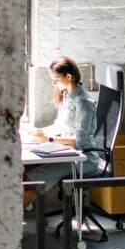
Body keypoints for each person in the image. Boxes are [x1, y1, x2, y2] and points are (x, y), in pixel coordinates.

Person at [22, 56, 103, 208]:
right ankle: (27, 204)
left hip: (83, 158)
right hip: (67, 152)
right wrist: (38, 133)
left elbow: (81, 141)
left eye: (56, 79)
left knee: (31, 180)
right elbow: (59, 126)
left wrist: (49, 139)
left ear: (69, 77)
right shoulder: (67, 95)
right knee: (25, 167)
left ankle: (20, 211)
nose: (54, 83)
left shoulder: (84, 103)